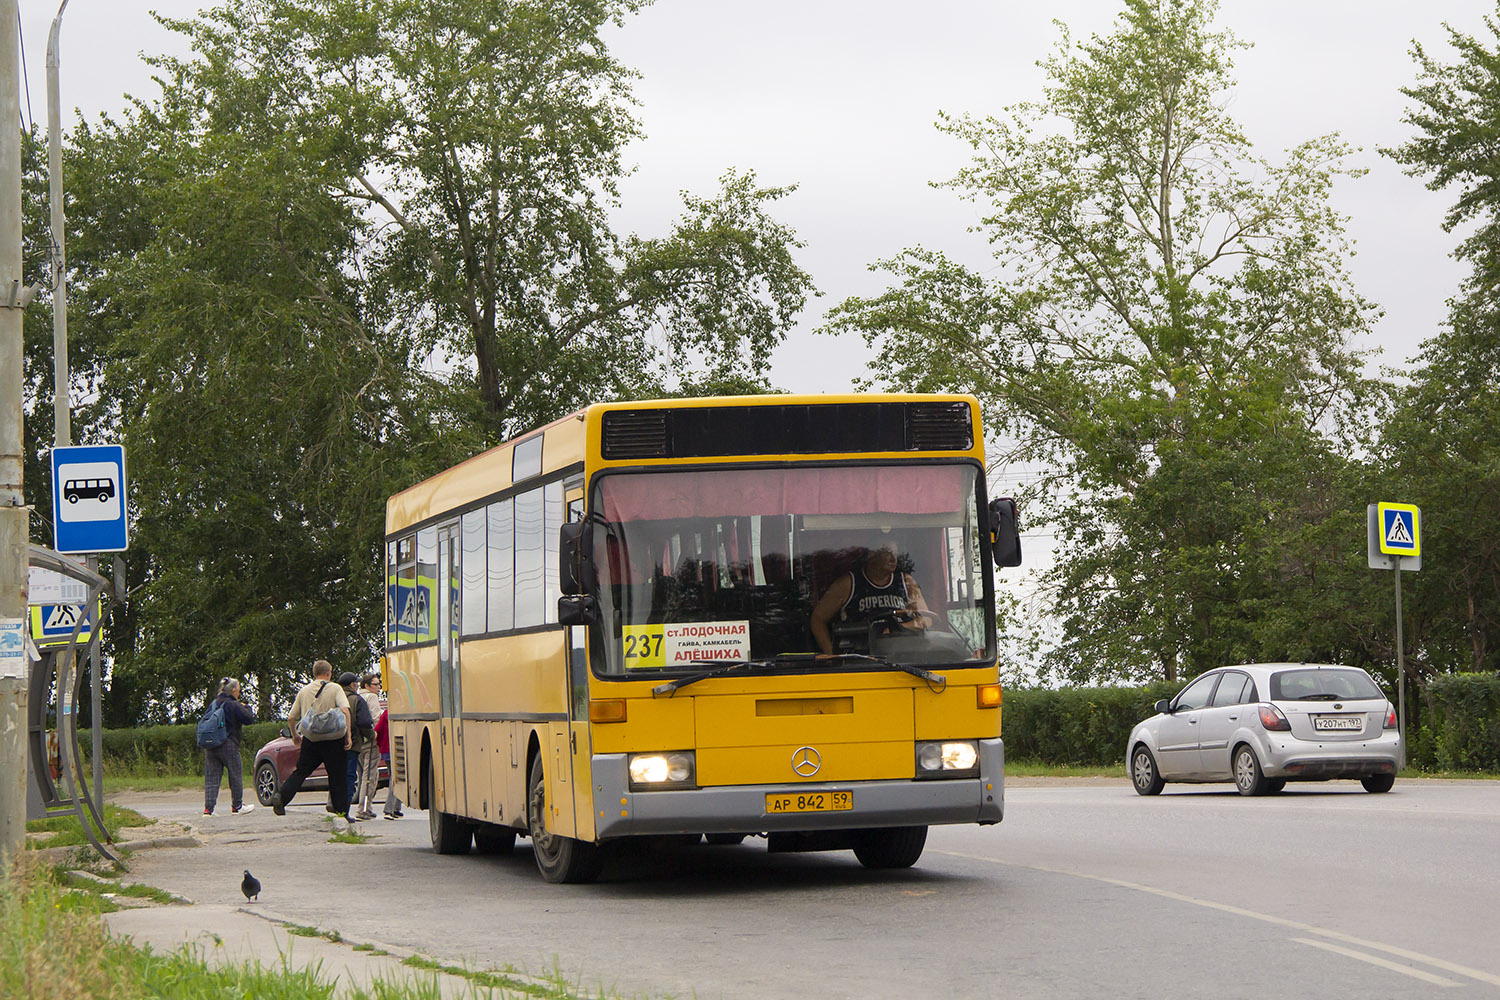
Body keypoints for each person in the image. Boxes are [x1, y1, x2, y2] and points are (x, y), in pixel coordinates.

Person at [809, 540, 932, 655]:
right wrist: (832, 655)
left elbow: (927, 619)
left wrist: (896, 629)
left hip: (903, 656)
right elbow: (817, 619)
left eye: (896, 553)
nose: (893, 559)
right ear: (871, 554)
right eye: (887, 553)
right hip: (861, 659)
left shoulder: (906, 582)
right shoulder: (848, 583)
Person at [271, 659, 352, 817]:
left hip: (312, 739)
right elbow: (346, 711)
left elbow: (290, 717)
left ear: (314, 674)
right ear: (328, 673)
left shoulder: (304, 691)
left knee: (301, 771)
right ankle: (341, 812)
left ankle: (282, 796)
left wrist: (295, 735)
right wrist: (348, 735)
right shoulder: (335, 688)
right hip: (334, 739)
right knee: (337, 776)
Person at [203, 677, 257, 816]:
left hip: (211, 744)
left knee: (212, 778)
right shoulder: (233, 704)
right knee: (235, 774)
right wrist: (246, 707)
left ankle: (208, 810)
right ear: (233, 690)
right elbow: (249, 719)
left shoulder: (214, 704)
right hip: (228, 743)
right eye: (238, 689)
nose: (239, 692)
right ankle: (237, 806)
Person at [339, 671, 375, 822]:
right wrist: (372, 735)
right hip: (351, 743)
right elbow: (364, 722)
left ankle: (334, 806)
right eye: (356, 683)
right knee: (349, 777)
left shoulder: (335, 698)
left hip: (333, 743)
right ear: (352, 685)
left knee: (336, 776)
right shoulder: (356, 700)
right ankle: (344, 811)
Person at [353, 672, 384, 820]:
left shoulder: (357, 697)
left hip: (357, 741)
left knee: (365, 774)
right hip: (370, 741)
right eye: (376, 684)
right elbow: (376, 718)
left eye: (379, 684)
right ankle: (363, 808)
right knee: (369, 775)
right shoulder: (371, 697)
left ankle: (367, 807)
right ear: (367, 685)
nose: (379, 688)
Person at [374, 704, 404, 820]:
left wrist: (379, 744)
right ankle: (389, 809)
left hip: (386, 750)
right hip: (399, 749)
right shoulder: (401, 712)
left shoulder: (385, 714)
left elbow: (378, 730)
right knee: (396, 779)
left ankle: (396, 808)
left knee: (394, 777)